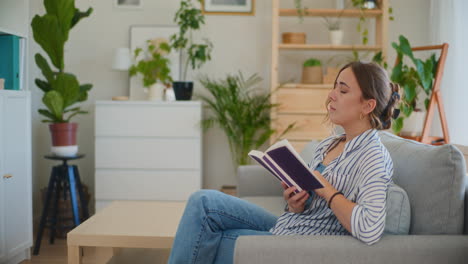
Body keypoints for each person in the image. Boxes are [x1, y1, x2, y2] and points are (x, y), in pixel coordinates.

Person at [168, 61, 401, 264]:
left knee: (206, 237)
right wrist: (295, 204)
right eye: (334, 87)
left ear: (367, 106)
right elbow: (309, 207)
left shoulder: (373, 156)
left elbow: (369, 229)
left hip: (301, 244)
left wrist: (326, 190)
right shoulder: (329, 144)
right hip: (288, 225)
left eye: (343, 90)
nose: (331, 95)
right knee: (203, 201)